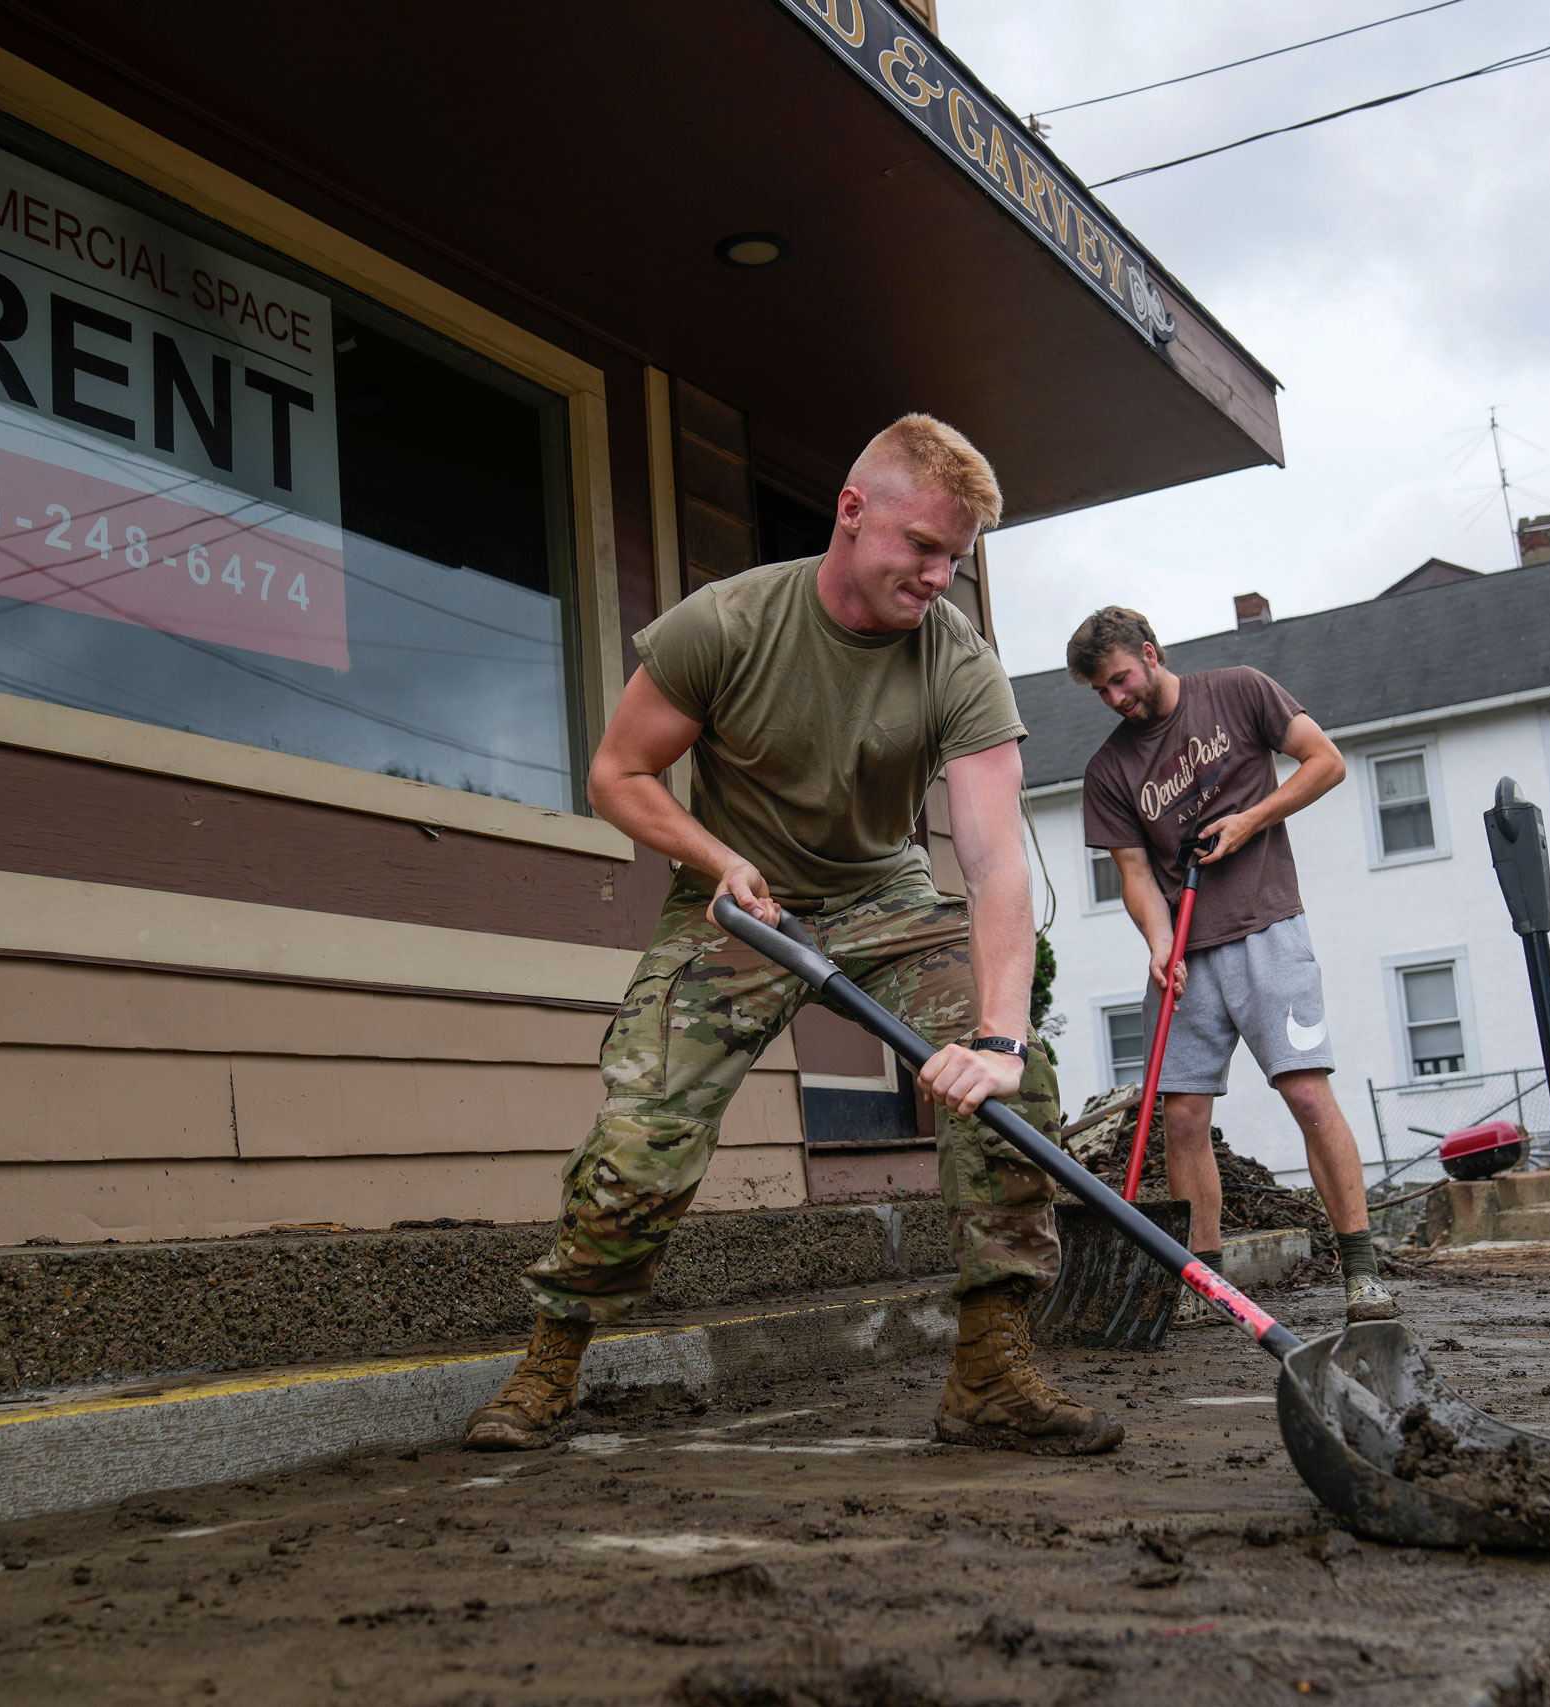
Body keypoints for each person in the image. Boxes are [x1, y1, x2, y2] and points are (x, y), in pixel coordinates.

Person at [464, 416, 1120, 1457]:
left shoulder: (957, 661)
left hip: (886, 898)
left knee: (1014, 1089)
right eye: (922, 546)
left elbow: (994, 865)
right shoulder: (724, 625)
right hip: (739, 899)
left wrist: (997, 1039)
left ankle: (991, 1372)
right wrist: (714, 857)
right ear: (853, 514)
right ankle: (550, 1361)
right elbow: (617, 776)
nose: (939, 576)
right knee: (644, 1135)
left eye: (955, 558)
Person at [1068, 606, 1395, 1322]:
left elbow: (1326, 762)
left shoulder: (1241, 690)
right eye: (1101, 692)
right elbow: (1133, 873)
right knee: (1183, 1115)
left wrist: (1252, 819)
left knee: (1308, 1096)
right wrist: (1159, 942)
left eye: (1120, 680)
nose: (1115, 699)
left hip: (1268, 928)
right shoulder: (1109, 769)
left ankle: (1362, 1272)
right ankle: (1206, 1283)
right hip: (1184, 952)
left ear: (1150, 654)